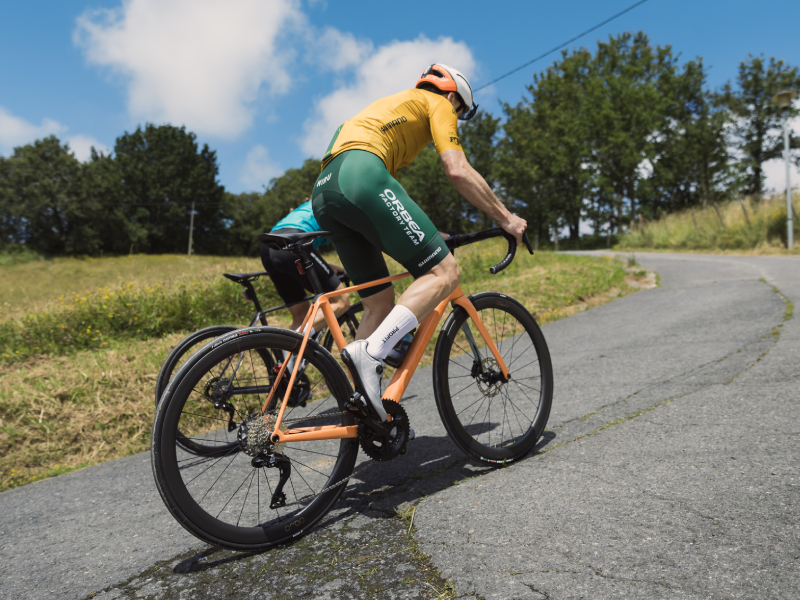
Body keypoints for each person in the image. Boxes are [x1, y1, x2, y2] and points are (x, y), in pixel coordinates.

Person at [311, 63, 527, 421]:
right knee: (444, 273)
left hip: (325, 190)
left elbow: (389, 200)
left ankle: (363, 413)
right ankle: (373, 352)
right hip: (361, 175)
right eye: (460, 111)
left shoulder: (389, 107)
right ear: (453, 96)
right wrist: (506, 217)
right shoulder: (438, 104)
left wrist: (429, 232)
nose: (456, 118)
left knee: (378, 304)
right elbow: (457, 169)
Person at [261, 199, 350, 336]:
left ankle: (288, 347)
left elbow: (310, 258)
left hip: (269, 246)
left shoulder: (308, 207)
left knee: (301, 316)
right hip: (295, 241)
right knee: (341, 301)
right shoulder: (337, 202)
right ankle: (296, 338)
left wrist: (328, 267)